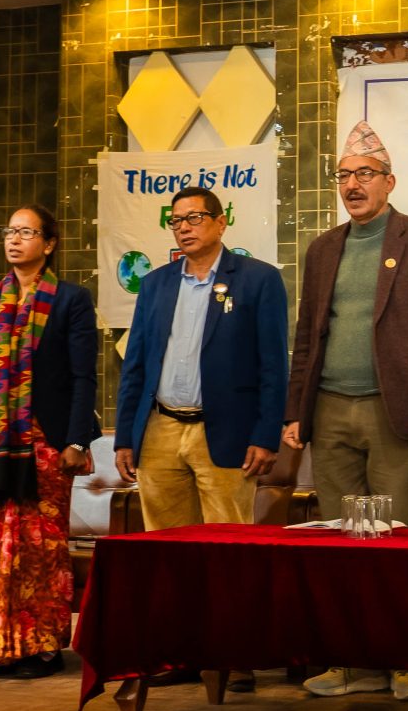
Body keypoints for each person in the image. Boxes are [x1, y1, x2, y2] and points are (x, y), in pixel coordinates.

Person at [286, 121, 408, 704]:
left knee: (400, 539)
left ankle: (406, 663)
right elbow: (307, 338)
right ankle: (348, 661)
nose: (352, 185)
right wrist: (296, 411)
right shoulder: (323, 249)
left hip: (399, 413)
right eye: (343, 175)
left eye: (364, 174)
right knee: (342, 543)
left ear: (390, 181)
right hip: (331, 410)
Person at [0, 204, 98, 678]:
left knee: (42, 547)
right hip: (0, 439)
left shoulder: (71, 299)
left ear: (49, 244)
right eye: (9, 232)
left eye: (26, 232)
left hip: (48, 442)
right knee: (4, 545)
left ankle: (43, 646)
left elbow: (83, 377)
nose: (14, 240)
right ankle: (1, 645)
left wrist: (77, 440)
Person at [113, 186, 288, 529]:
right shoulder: (154, 284)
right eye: (176, 221)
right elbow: (135, 366)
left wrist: (266, 436)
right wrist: (125, 438)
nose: (183, 227)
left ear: (221, 223)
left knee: (227, 545)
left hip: (226, 430)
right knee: (164, 545)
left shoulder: (259, 279)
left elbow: (273, 366)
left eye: (194, 218)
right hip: (159, 431)